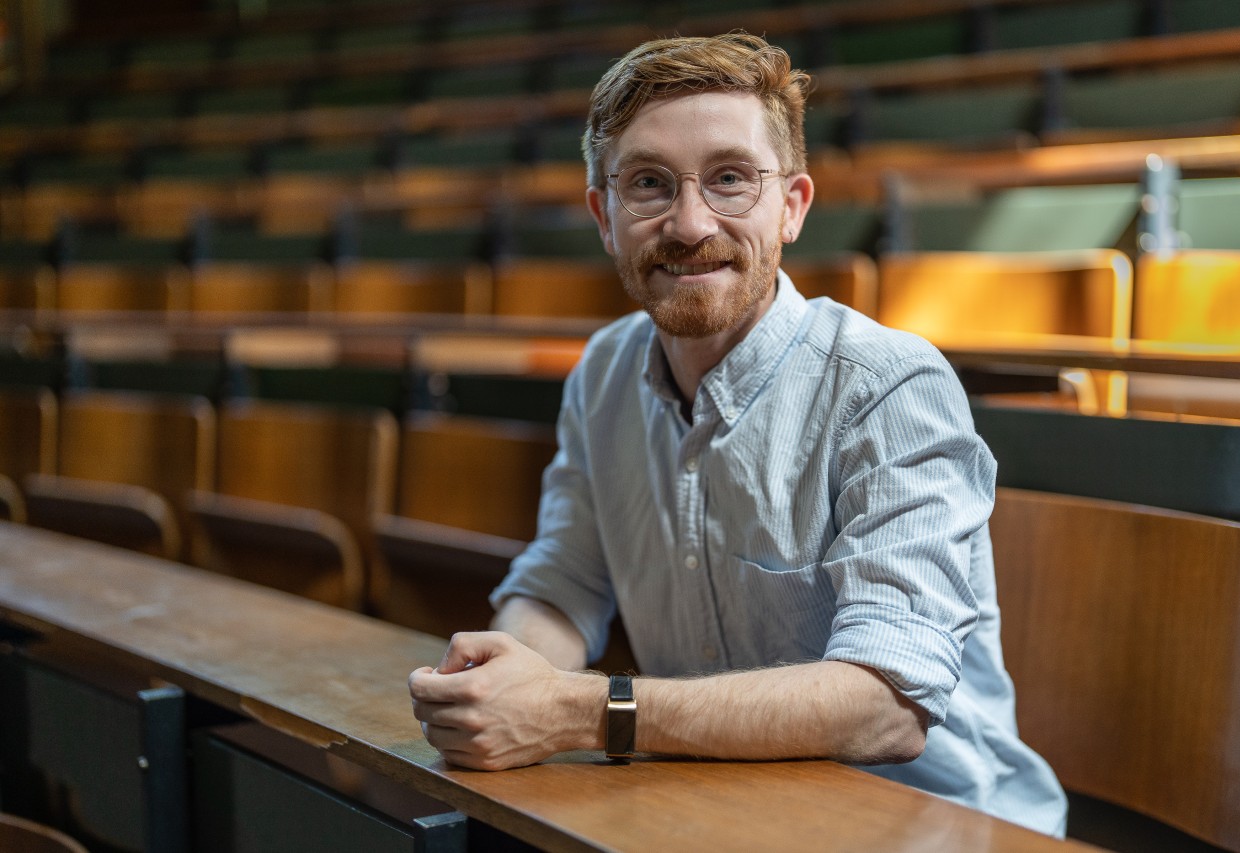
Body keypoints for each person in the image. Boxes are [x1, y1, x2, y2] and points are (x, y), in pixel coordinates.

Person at [408, 32, 1067, 837]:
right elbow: (561, 584)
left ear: (791, 206)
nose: (689, 224)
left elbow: (883, 709)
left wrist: (586, 711)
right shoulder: (604, 373)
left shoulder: (890, 385)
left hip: (938, 828)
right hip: (723, 814)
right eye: (648, 183)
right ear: (604, 216)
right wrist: (503, 671)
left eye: (729, 179)